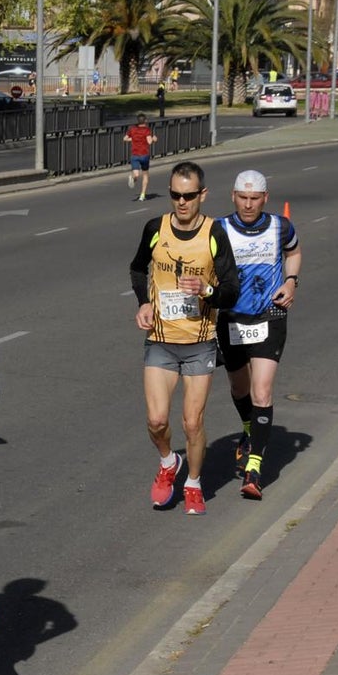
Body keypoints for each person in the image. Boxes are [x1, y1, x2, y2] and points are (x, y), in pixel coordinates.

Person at [129, 161, 240, 515]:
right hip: (161, 338)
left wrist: (206, 289)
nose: (181, 202)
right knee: (156, 421)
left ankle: (193, 483)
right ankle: (168, 462)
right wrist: (144, 302)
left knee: (192, 423)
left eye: (188, 196)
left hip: (199, 342)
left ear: (202, 195)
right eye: (175, 195)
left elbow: (232, 290)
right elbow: (137, 268)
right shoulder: (155, 228)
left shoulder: (214, 233)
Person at [215, 171, 302, 500]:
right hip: (232, 319)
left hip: (270, 315)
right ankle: (250, 430)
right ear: (233, 196)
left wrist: (291, 282)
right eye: (243, 198)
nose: (248, 205)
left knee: (261, 392)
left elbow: (294, 252)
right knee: (240, 388)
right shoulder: (219, 229)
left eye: (254, 199)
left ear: (265, 198)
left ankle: (254, 468)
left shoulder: (281, 226)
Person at [123, 112, 158, 202]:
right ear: (145, 121)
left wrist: (134, 139)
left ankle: (133, 177)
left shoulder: (132, 129)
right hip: (144, 155)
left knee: (136, 174)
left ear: (138, 121)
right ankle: (142, 195)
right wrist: (154, 139)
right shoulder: (147, 130)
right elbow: (149, 142)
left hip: (135, 155)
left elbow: (125, 138)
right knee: (145, 174)